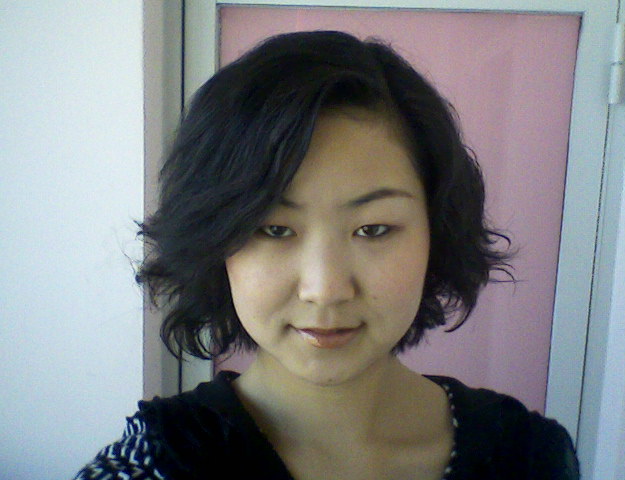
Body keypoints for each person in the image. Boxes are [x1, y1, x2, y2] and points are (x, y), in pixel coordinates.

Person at [74, 31, 579, 479]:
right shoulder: (155, 465)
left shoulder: (529, 455)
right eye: (274, 229)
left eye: (373, 229)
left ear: (436, 233)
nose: (326, 288)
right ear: (215, 241)